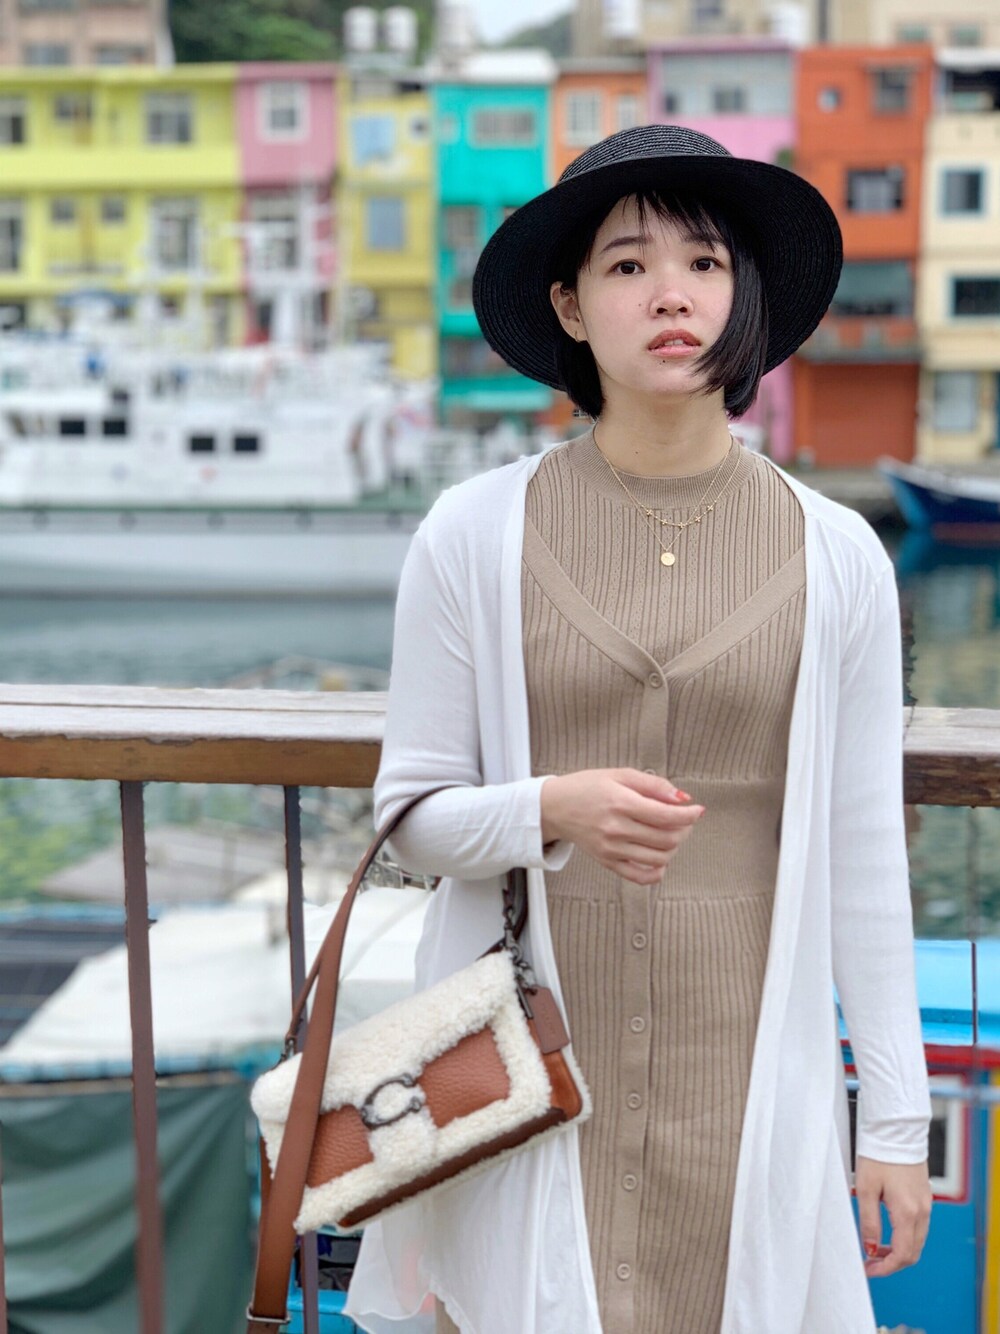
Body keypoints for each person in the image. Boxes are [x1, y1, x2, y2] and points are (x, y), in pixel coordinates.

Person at [345, 125, 932, 1334]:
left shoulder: (838, 556)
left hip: (748, 1063)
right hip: (526, 1064)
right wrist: (547, 808)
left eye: (704, 262)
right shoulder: (471, 532)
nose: (671, 292)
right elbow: (409, 816)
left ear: (743, 293)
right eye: (627, 265)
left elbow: (865, 855)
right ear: (568, 304)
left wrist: (892, 1121)